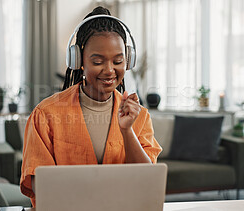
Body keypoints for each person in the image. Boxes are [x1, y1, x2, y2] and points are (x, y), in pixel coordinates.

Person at [20, 6, 162, 206]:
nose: (110, 70)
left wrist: (127, 130)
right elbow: (37, 183)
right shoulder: (46, 114)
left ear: (128, 61)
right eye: (97, 61)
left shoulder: (139, 116)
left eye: (118, 61)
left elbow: (147, 181)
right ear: (78, 60)